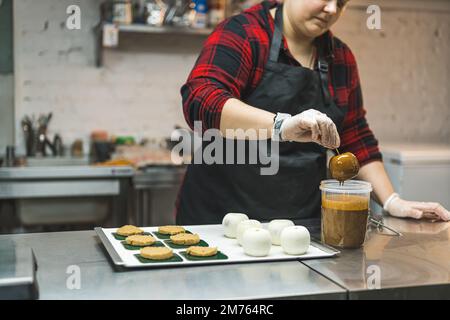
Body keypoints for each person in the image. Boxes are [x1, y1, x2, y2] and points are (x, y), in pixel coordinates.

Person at [175, 0, 449, 225]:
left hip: (301, 225)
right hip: (220, 221)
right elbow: (201, 100)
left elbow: (355, 135)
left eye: (340, 3)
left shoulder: (340, 58)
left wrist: (392, 201)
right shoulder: (243, 33)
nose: (332, 9)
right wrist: (281, 126)